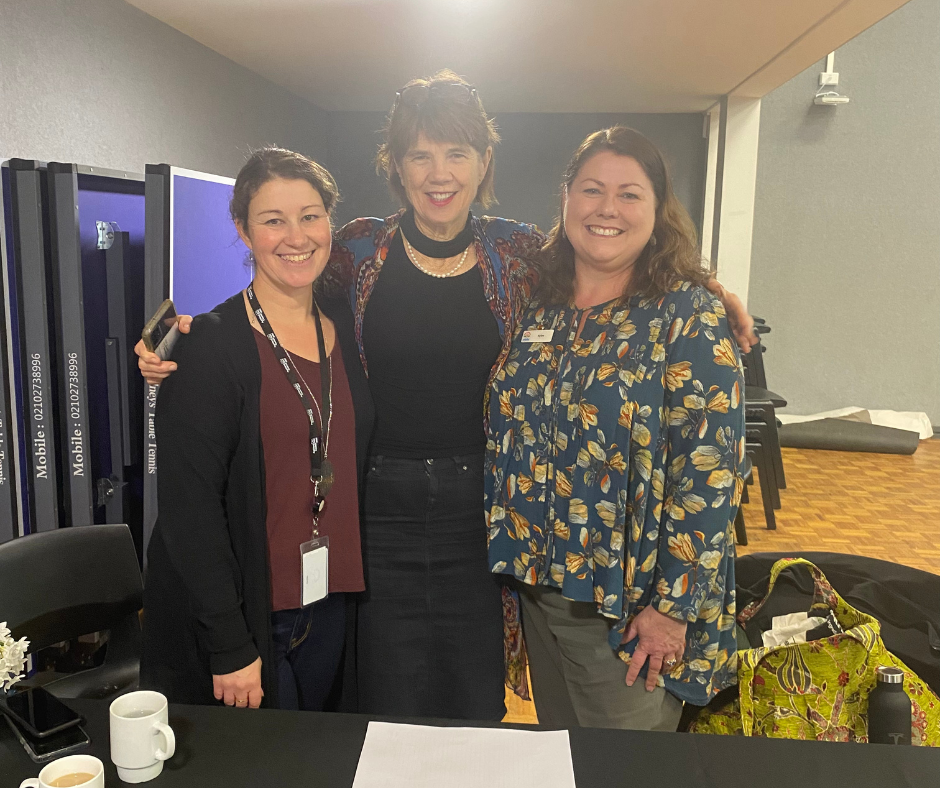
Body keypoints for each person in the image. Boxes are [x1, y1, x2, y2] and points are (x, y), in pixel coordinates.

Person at [138, 71, 754, 721]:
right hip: (375, 513)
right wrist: (190, 334)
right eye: (421, 154)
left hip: (479, 520)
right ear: (397, 166)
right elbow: (282, 283)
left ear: (483, 163)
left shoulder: (516, 254)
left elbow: (616, 255)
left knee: (471, 699)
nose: (440, 172)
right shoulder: (358, 249)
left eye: (457, 153)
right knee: (384, 696)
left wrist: (712, 291)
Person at [485, 126, 745, 731]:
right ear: (566, 199)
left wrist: (672, 610)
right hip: (537, 587)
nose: (607, 208)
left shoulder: (687, 315)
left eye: (630, 194)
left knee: (624, 765)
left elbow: (709, 477)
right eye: (591, 189)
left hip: (630, 611)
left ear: (658, 211)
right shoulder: (536, 301)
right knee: (563, 756)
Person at [140, 148, 374, 712]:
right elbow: (187, 510)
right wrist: (228, 642)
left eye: (310, 215)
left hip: (329, 599)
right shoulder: (208, 349)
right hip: (251, 617)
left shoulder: (345, 321)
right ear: (244, 231)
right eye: (273, 220)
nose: (296, 236)